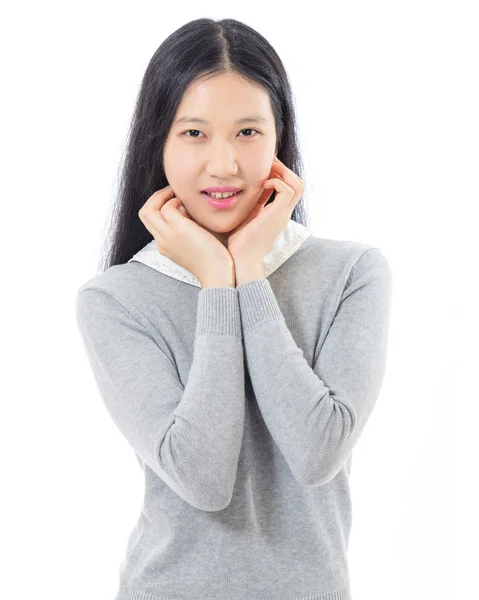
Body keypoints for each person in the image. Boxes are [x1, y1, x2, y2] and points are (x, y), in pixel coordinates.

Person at [75, 17, 392, 600]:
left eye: (247, 132)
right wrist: (217, 284)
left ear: (280, 139)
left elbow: (318, 451)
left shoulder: (351, 274)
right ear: (158, 143)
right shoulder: (116, 300)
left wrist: (248, 274)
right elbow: (203, 477)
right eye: (193, 133)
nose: (223, 165)